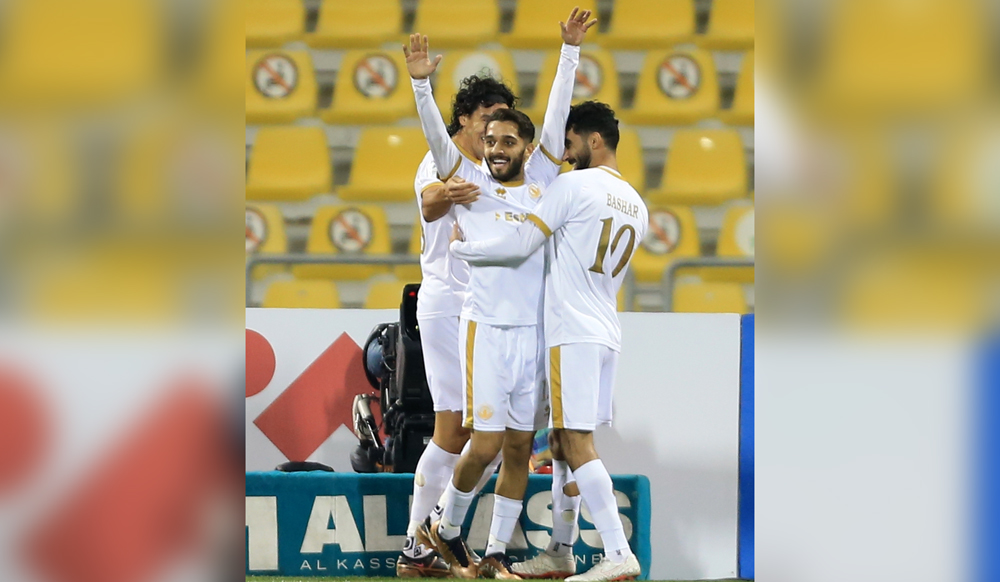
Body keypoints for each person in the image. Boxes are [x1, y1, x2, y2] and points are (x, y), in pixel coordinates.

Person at [404, 7, 595, 579]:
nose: (494, 147)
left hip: (533, 335)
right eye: (487, 138)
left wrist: (569, 51)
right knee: (478, 441)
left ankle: (492, 554)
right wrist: (421, 85)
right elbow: (438, 139)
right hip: (480, 326)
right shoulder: (469, 181)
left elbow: (558, 110)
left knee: (517, 449)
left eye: (507, 138)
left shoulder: (542, 176)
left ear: (530, 146)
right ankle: (439, 529)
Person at [449, 101, 648, 582]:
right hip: (607, 331)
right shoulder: (637, 204)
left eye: (572, 141)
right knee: (560, 443)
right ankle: (560, 551)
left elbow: (522, 245)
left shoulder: (573, 185)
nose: (565, 152)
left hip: (571, 331)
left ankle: (618, 554)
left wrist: (462, 247)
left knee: (576, 443)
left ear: (593, 140)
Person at [398, 73, 517, 578]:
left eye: (502, 110)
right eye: (486, 109)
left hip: (484, 308)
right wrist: (448, 192)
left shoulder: (495, 167)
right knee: (456, 428)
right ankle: (419, 542)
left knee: (484, 428)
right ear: (464, 117)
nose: (494, 118)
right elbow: (427, 203)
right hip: (448, 303)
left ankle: (426, 539)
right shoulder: (442, 158)